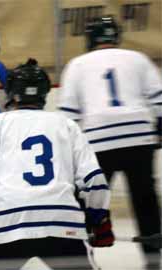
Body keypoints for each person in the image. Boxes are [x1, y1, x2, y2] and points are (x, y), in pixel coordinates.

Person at [0, 59, 114, 270]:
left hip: (9, 223)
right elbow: (94, 179)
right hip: (62, 223)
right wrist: (99, 218)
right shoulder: (66, 125)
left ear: (11, 92)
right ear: (45, 93)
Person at [57, 15, 162, 269]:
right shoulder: (138, 59)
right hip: (139, 137)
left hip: (99, 139)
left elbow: (68, 115)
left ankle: (77, 258)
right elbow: (159, 100)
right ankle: (153, 259)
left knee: (89, 200)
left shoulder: (77, 64)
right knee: (145, 200)